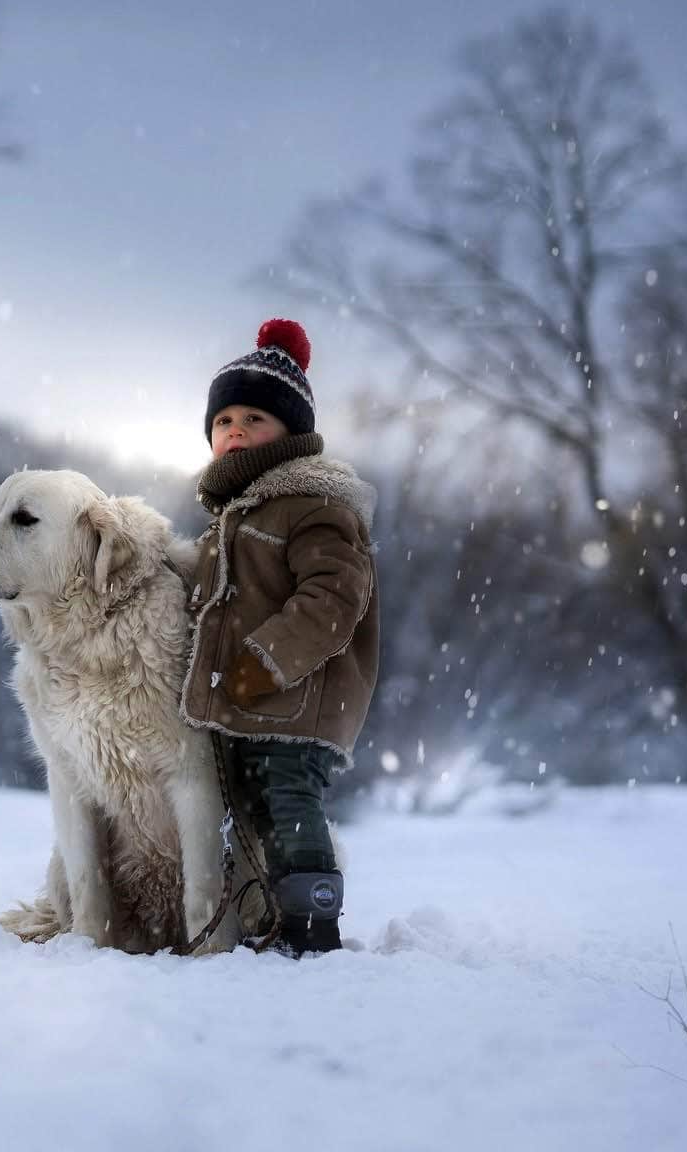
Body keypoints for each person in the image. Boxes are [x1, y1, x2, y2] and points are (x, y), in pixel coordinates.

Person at [181, 318, 380, 957]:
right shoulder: (229, 521)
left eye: (254, 420)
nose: (234, 430)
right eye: (223, 421)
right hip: (245, 697)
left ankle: (313, 926)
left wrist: (265, 661)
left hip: (296, 695)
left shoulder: (314, 507)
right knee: (248, 811)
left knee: (289, 799)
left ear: (291, 434)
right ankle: (267, 911)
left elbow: (334, 596)